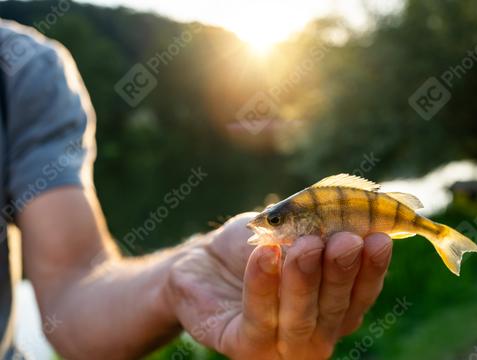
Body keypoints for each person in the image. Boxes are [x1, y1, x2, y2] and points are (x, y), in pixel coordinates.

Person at [0, 20, 392, 360]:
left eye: (274, 220)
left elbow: (73, 294)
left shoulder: (23, 71)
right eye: (274, 219)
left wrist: (182, 277)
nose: (267, 225)